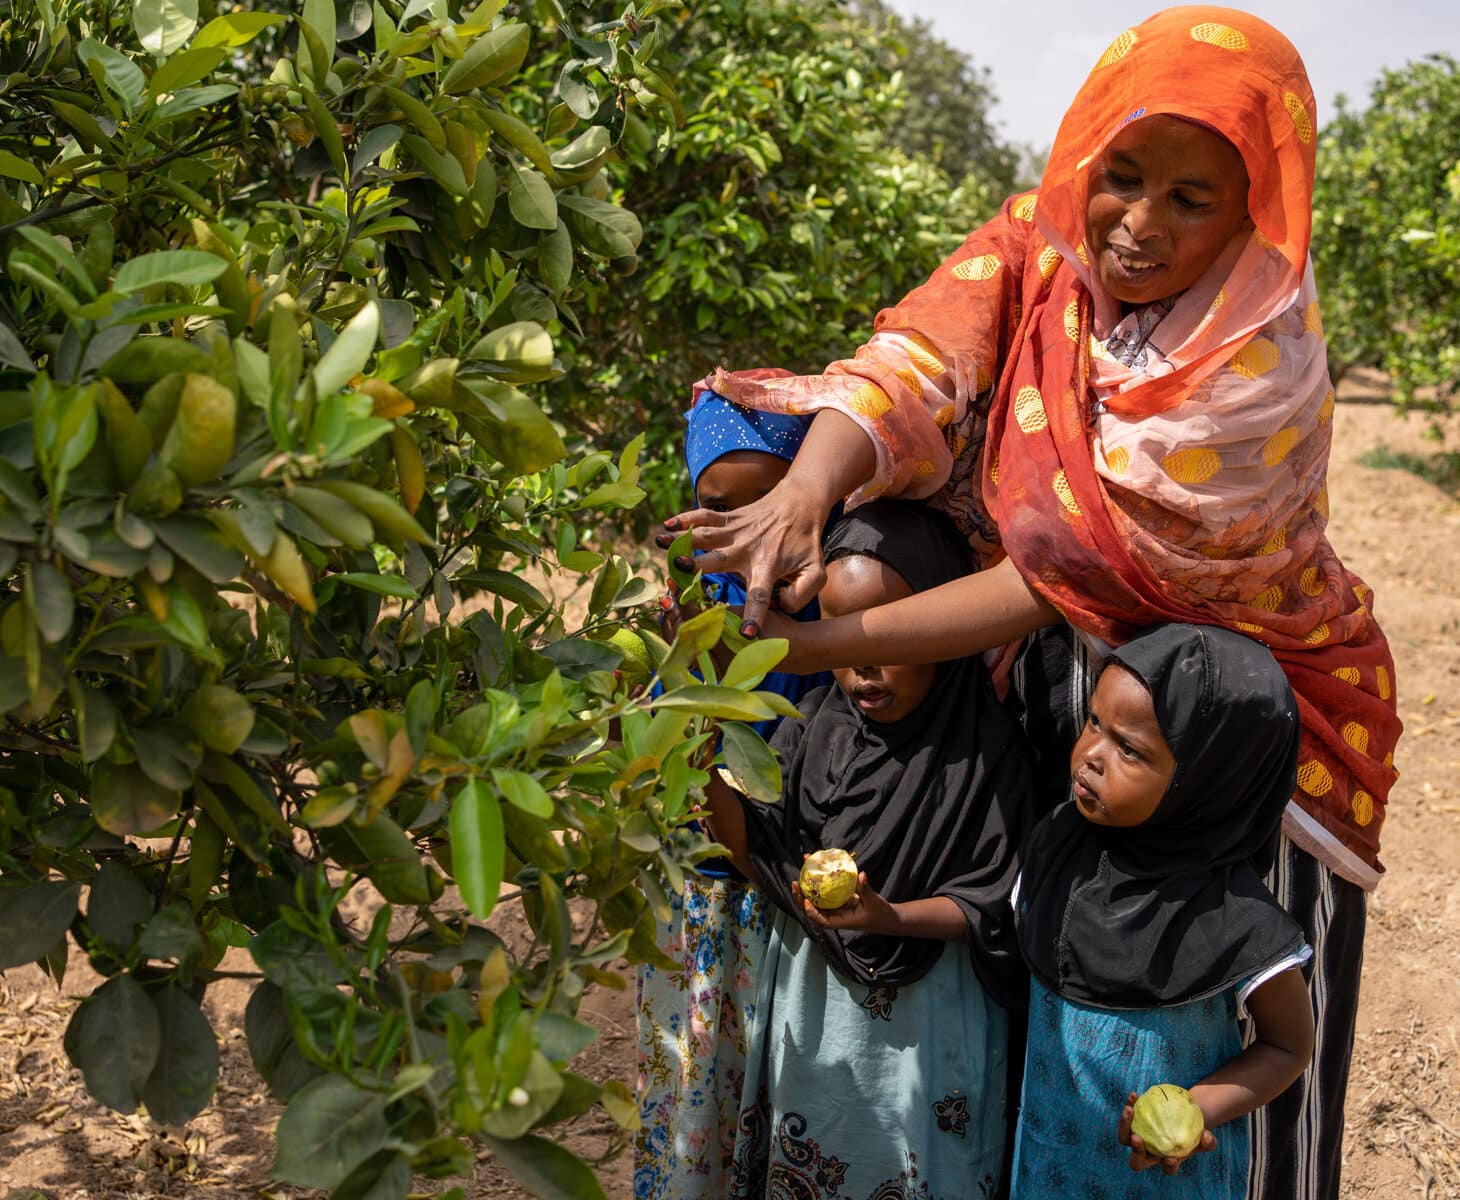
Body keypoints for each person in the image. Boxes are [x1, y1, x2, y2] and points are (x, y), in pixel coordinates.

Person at [657, 8, 1401, 1195]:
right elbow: (918, 357)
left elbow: (1049, 577)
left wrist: (821, 637)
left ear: (1255, 205)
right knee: (1065, 1026)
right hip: (1095, 705)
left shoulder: (1251, 368)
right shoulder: (1037, 252)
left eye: (1191, 199)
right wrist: (805, 489)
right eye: (1120, 175)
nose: (1137, 224)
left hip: (1228, 737)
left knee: (1217, 1026)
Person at [701, 499, 1031, 1199]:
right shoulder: (813, 728)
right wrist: (696, 766)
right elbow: (754, 851)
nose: (864, 670)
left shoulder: (985, 753)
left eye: (893, 640)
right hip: (814, 1018)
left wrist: (890, 917)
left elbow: (995, 903)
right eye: (843, 644)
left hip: (932, 1029)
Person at [1011, 624, 1314, 1197]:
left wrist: (1198, 1109)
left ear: (1206, 784)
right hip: (1051, 1162)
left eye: (1130, 749)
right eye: (1095, 723)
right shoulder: (1057, 848)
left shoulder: (1235, 920)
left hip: (1167, 1182)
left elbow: (1289, 1045)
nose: (1092, 756)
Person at [635, 392, 832, 1200]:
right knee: (695, 1103)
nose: (747, 532)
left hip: (795, 905)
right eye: (720, 509)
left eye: (769, 504)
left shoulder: (847, 616)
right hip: (702, 907)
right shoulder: (690, 623)